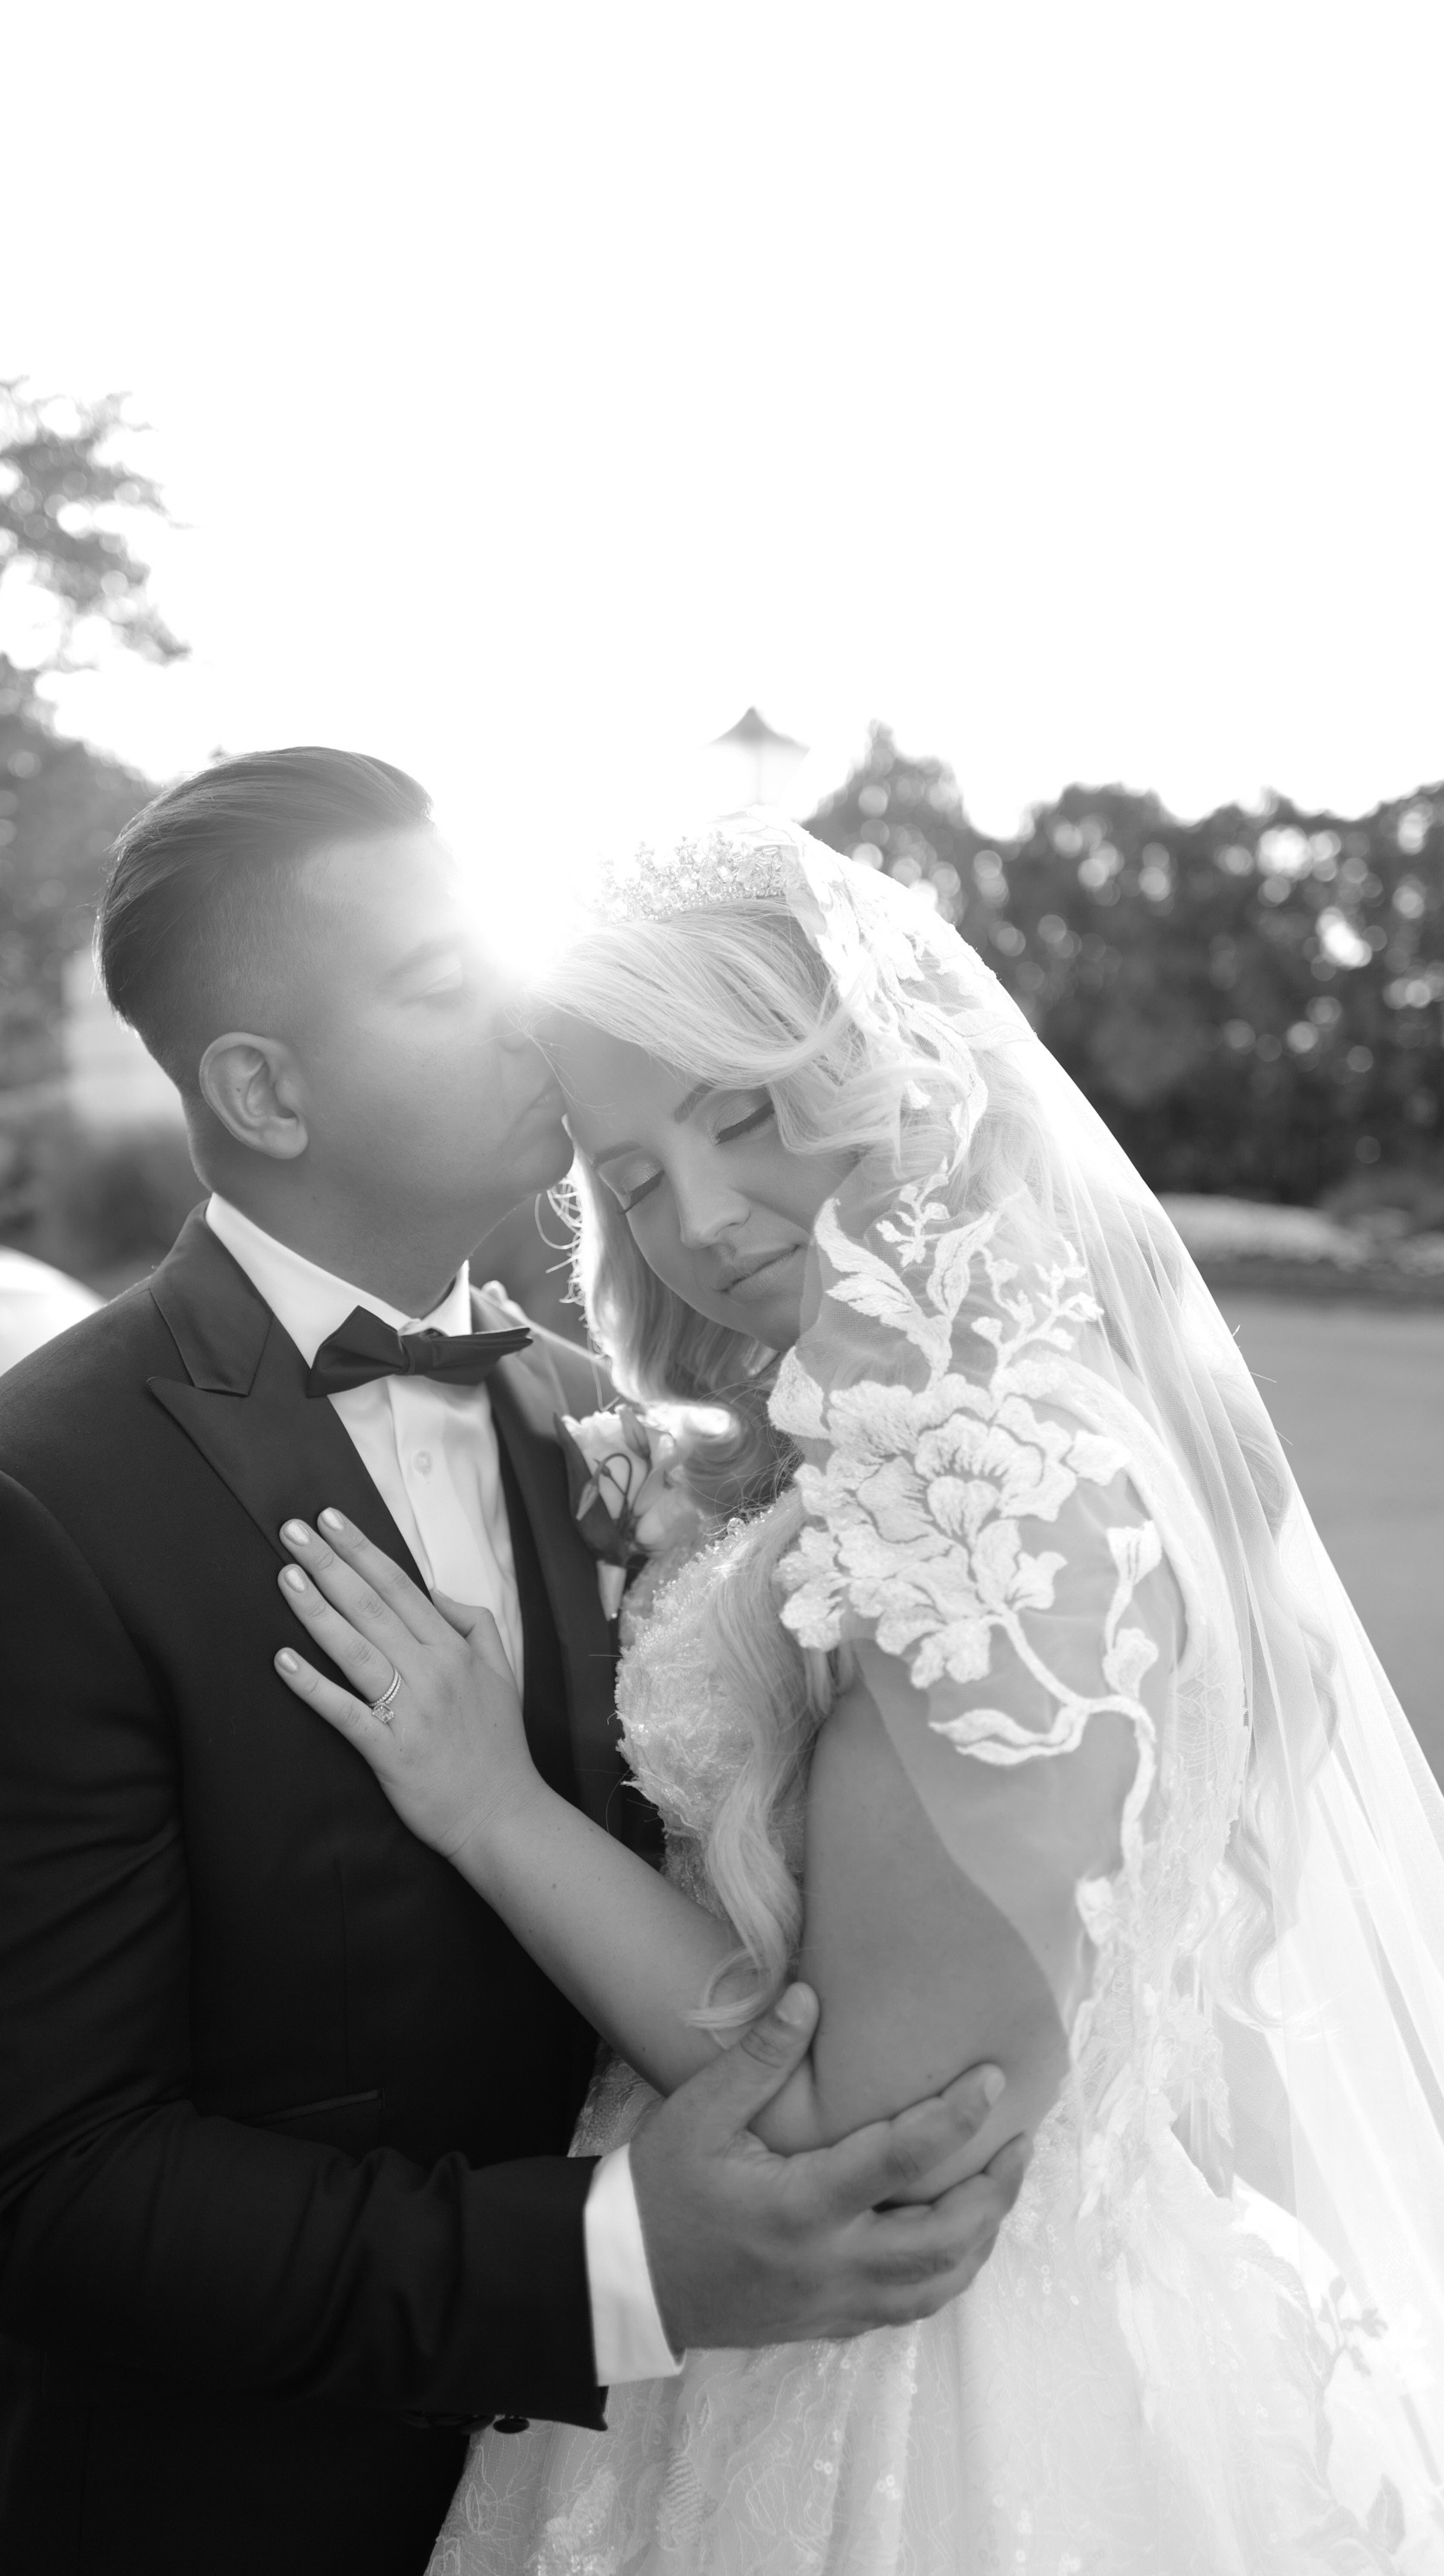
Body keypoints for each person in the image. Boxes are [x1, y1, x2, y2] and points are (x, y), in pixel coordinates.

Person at [0, 756, 1028, 2576]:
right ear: (261, 1087)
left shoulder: (595, 1423)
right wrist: (615, 2265)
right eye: (434, 982)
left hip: (637, 2491)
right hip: (223, 2518)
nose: (525, 1007)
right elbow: (45, 2190)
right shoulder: (25, 1507)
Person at [272, 816, 1444, 2573]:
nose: (701, 1223)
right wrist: (716, 1520)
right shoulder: (969, 1434)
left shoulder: (999, 1498)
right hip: (917, 2331)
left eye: (740, 1116)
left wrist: (486, 1802)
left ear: (899, 1070)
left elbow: (863, 2137)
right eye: (635, 1173)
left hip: (928, 2418)